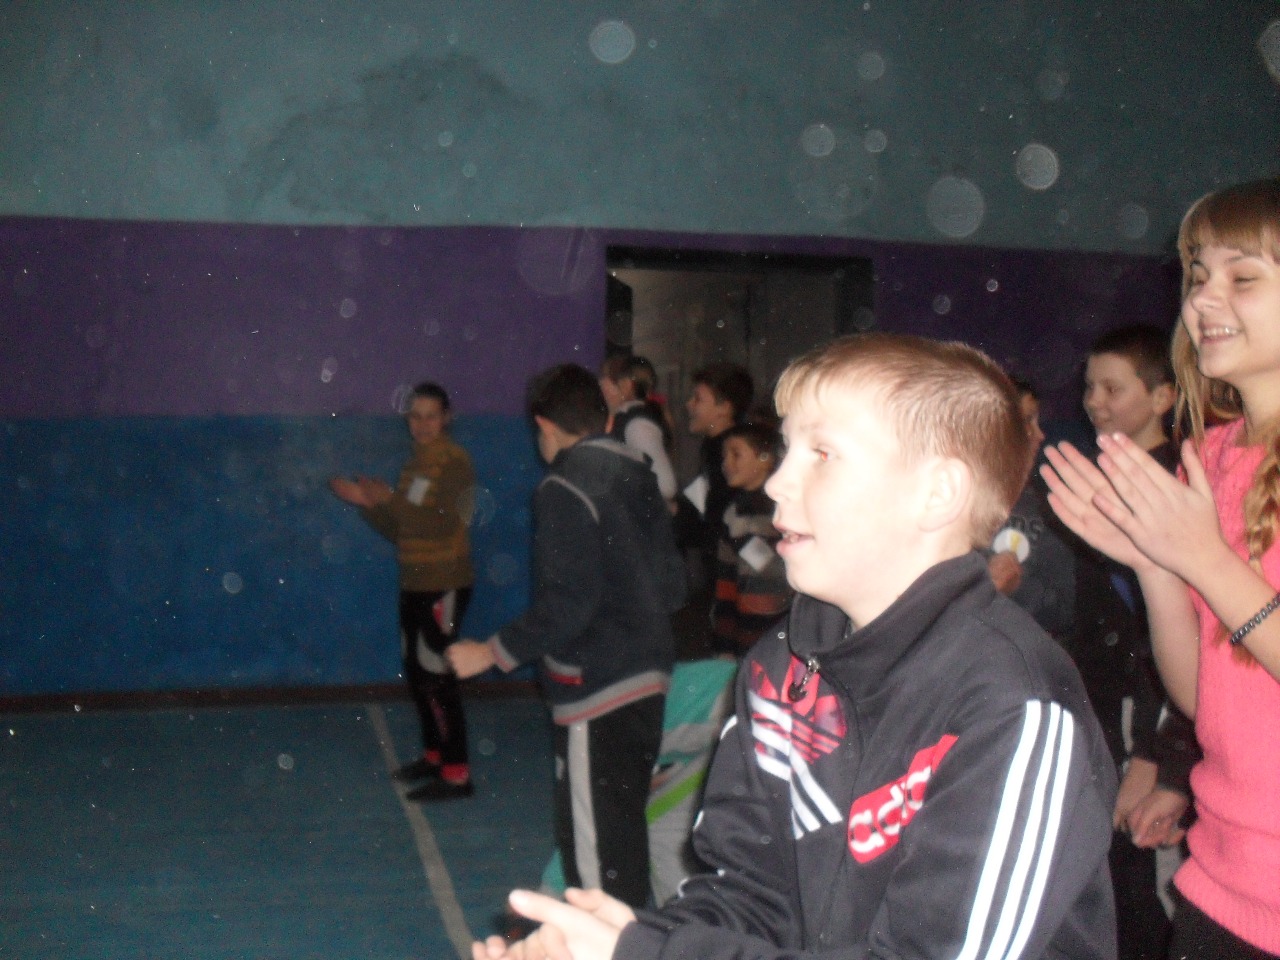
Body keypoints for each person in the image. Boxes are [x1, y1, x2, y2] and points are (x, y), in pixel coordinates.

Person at [475, 333, 1119, 960]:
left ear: (937, 494)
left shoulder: (1014, 705)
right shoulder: (780, 665)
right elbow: (750, 896)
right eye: (786, 450)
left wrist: (647, 953)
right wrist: (637, 944)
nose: (778, 482)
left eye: (822, 454)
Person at [1043, 179, 1280, 960]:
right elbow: (1203, 698)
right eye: (1198, 275)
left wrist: (1203, 558)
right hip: (1225, 882)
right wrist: (1157, 568)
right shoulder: (1212, 457)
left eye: (1243, 277)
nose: (1204, 298)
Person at [447, 363, 686, 910]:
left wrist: (490, 651)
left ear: (544, 426)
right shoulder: (639, 475)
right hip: (648, 680)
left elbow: (568, 604)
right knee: (621, 837)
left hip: (598, 689)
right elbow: (674, 586)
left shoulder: (564, 486)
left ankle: (614, 944)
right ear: (606, 418)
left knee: (596, 860)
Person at [1073, 325, 1198, 960]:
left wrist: (1154, 755)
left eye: (1113, 388)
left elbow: (1174, 633)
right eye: (1090, 387)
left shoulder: (1178, 485)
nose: (1095, 401)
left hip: (1149, 719)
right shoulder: (1103, 477)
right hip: (1103, 712)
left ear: (1162, 397)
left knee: (1147, 893)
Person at [329, 381, 477, 801]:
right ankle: (435, 757)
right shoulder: (415, 466)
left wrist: (388, 500)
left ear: (446, 419)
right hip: (415, 582)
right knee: (418, 672)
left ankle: (457, 774)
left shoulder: (454, 463)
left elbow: (441, 524)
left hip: (443, 582)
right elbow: (403, 529)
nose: (423, 424)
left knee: (437, 675)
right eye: (416, 416)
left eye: (432, 416)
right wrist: (367, 503)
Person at [987, 377, 1077, 638]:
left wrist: (1017, 586)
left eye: (1037, 421)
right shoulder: (943, 501)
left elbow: (1063, 609)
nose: (1039, 435)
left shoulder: (1044, 508)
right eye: (1027, 421)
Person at [710, 421, 791, 655]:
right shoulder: (733, 514)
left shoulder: (783, 512)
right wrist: (724, 644)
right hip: (746, 635)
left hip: (782, 633)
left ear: (765, 459)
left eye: (736, 455)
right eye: (724, 456)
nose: (727, 463)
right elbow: (726, 583)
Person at [674, 362, 754, 577]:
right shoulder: (712, 448)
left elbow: (717, 514)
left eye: (698, 399)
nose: (689, 405)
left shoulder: (725, 453)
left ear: (724, 408)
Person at [599, 354, 677, 502]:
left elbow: (665, 486)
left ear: (626, 385)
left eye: (609, 380)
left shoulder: (637, 423)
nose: (601, 384)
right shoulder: (629, 420)